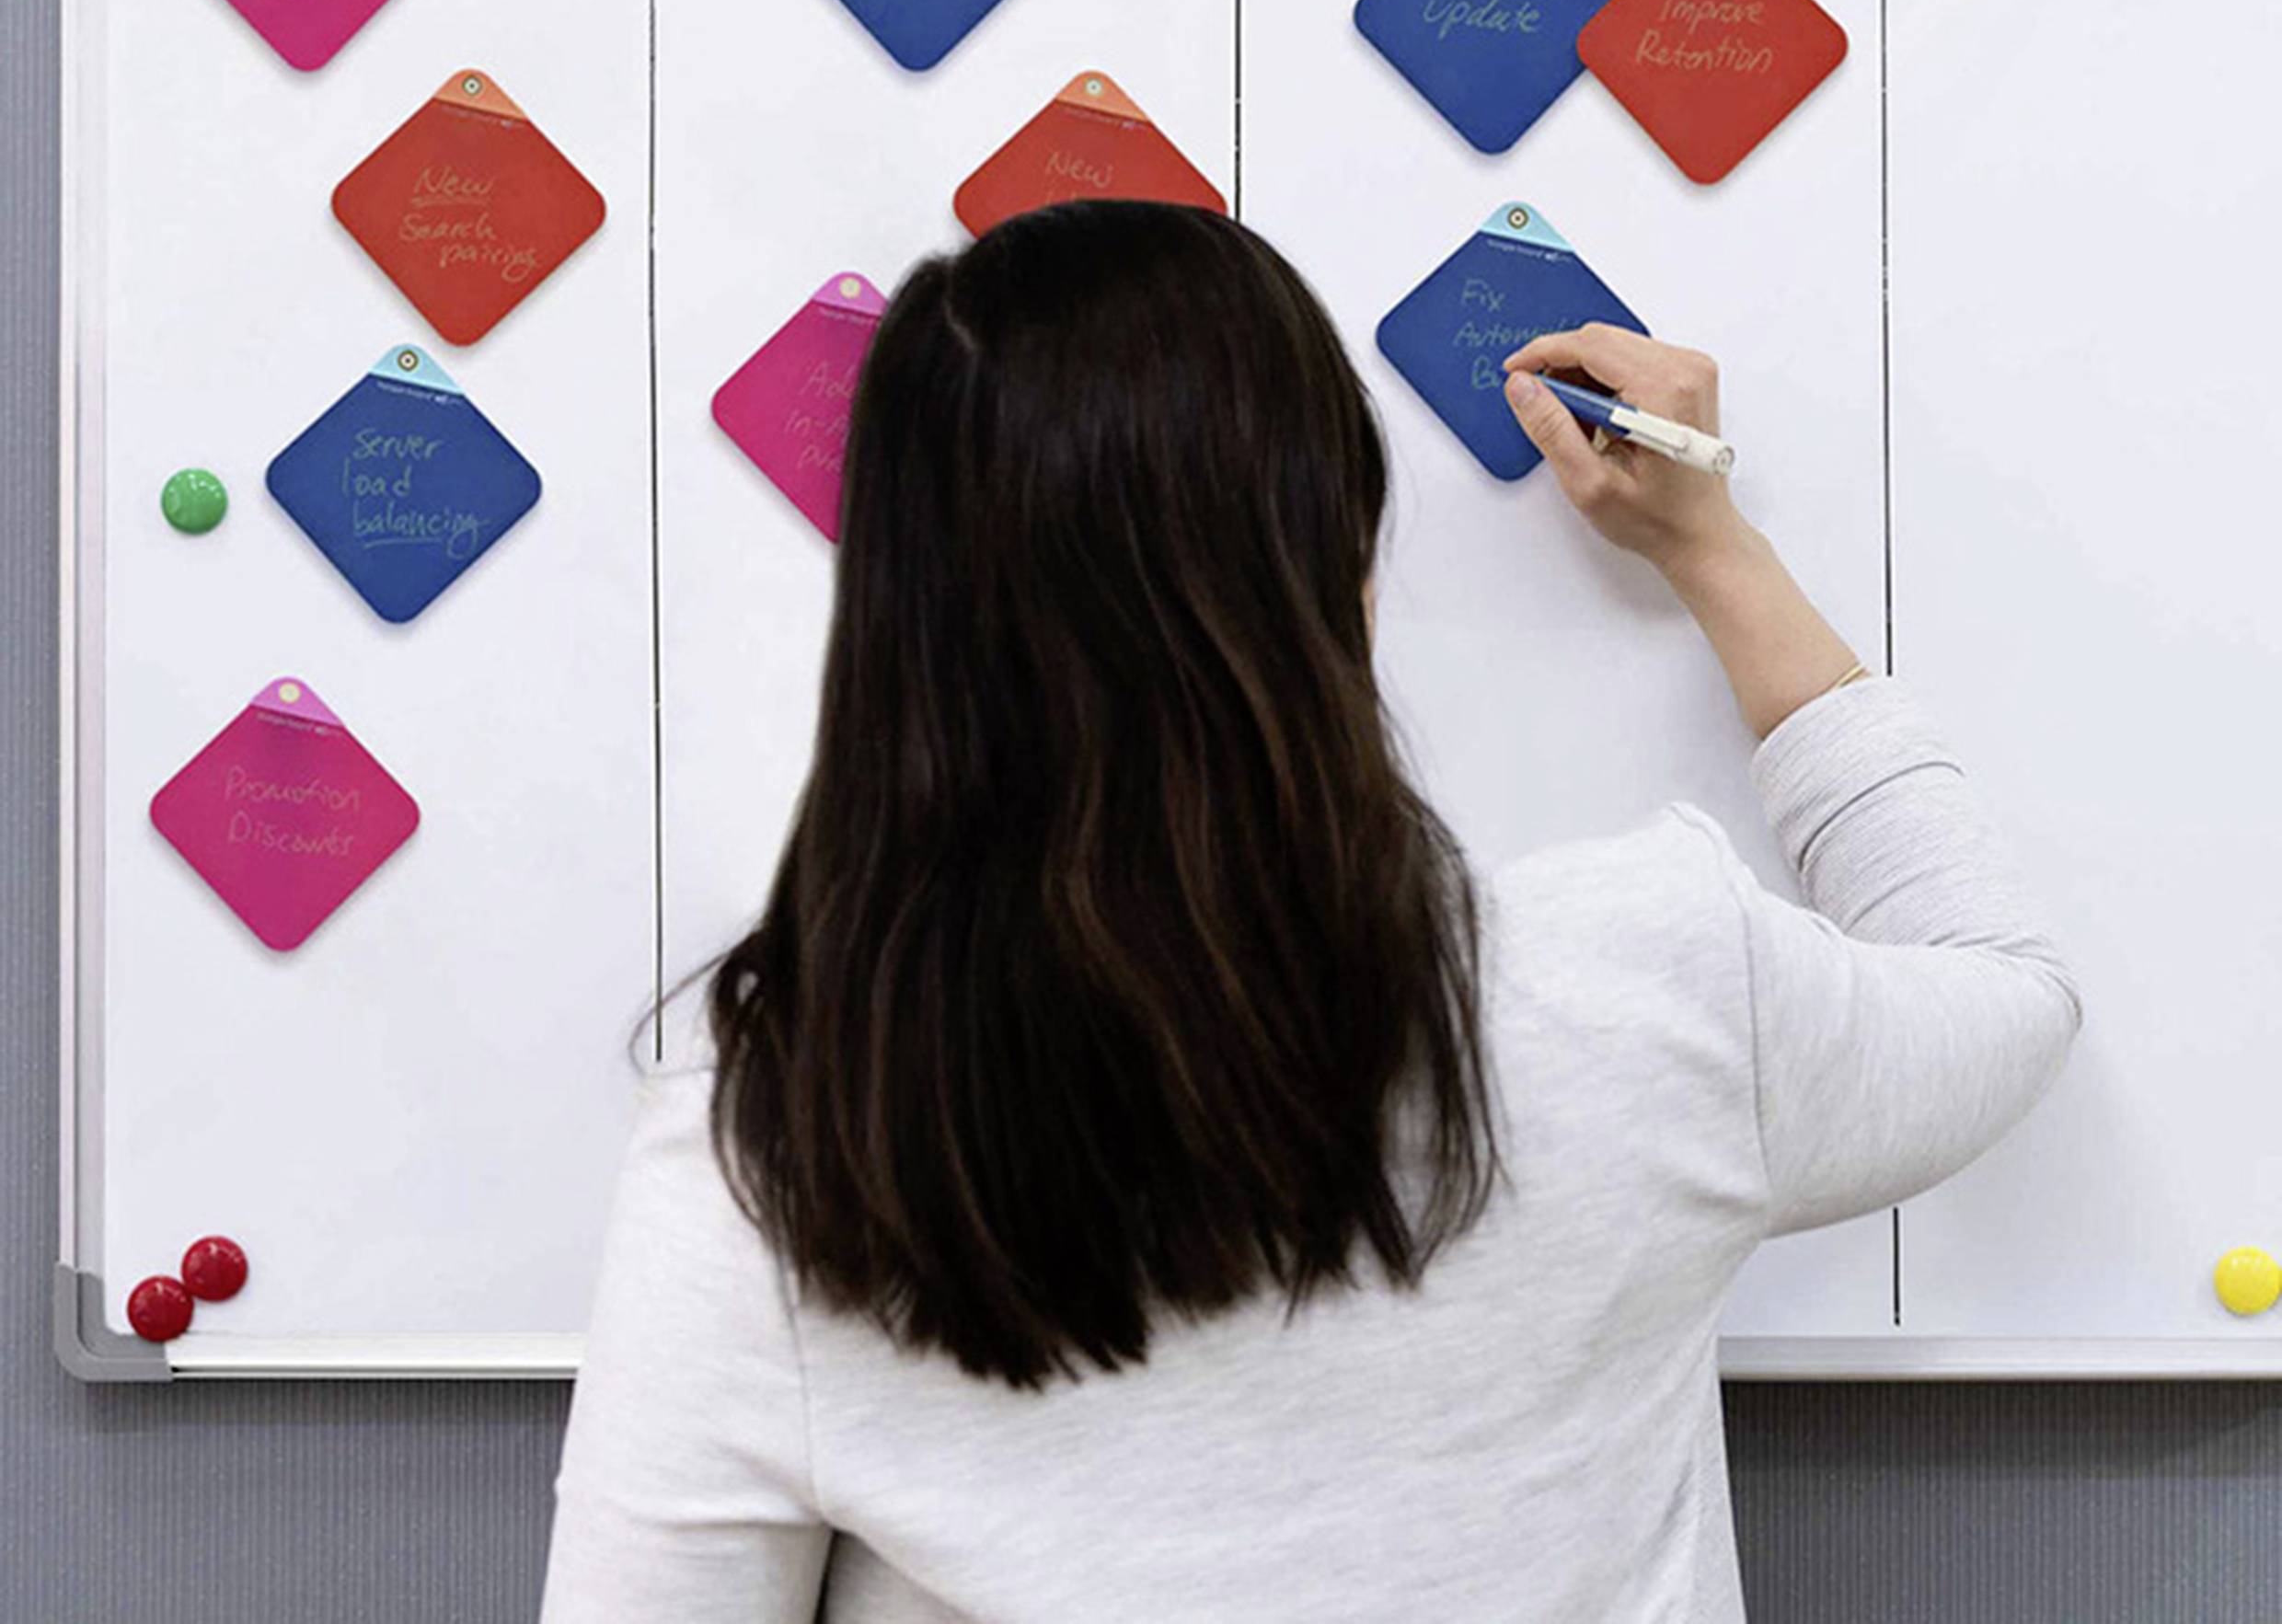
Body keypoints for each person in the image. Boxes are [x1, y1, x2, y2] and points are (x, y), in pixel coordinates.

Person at [540, 202, 2079, 1623]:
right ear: (1336, 550)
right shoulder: (1654, 988)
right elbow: (2003, 985)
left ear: (895, 614)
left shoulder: (780, 1152)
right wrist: (1715, 548)